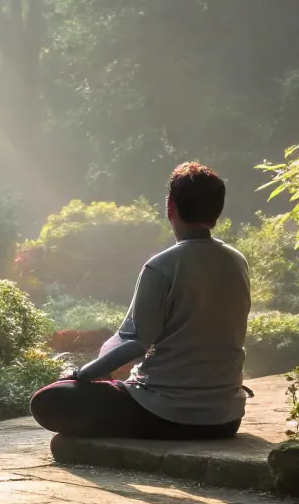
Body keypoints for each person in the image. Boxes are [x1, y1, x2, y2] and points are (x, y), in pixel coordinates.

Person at [30, 162, 251, 441]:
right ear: (216, 212)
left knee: (48, 399)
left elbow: (136, 344)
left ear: (170, 207)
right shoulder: (237, 261)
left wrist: (80, 374)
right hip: (225, 418)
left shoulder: (161, 267)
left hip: (163, 412)